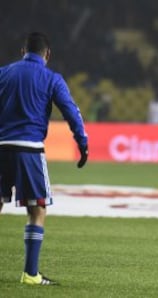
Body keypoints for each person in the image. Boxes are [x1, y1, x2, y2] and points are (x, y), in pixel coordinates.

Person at [0, 32, 88, 285]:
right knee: (37, 210)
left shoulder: (3, 73)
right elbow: (71, 112)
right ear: (47, 55)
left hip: (0, 146)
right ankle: (30, 274)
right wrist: (83, 144)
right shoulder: (52, 78)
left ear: (22, 51)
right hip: (29, 150)